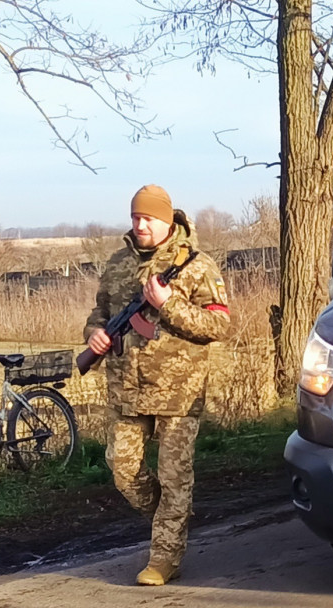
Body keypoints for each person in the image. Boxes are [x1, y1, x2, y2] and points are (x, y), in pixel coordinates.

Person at [84, 185, 232, 586]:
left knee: (173, 478)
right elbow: (99, 313)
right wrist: (95, 334)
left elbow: (219, 324)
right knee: (123, 471)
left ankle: (164, 557)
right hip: (127, 390)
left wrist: (169, 305)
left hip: (178, 392)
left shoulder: (197, 266)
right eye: (135, 218)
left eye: (148, 218)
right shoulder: (117, 265)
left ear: (168, 221)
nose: (140, 225)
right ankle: (171, 519)